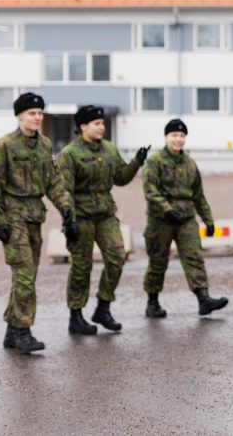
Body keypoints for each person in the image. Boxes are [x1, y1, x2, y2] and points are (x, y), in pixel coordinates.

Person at [0, 92, 78, 354]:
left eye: (40, 113)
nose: (37, 117)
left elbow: (53, 183)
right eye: (32, 113)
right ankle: (24, 331)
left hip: (35, 215)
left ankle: (12, 331)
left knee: (27, 275)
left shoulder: (45, 145)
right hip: (13, 216)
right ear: (19, 116)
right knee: (24, 273)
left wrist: (66, 207)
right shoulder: (5, 145)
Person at [56, 105, 150, 335]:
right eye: (96, 123)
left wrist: (136, 162)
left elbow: (120, 179)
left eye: (102, 123)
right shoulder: (70, 153)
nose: (101, 127)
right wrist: (68, 218)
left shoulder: (109, 149)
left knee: (117, 256)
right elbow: (63, 189)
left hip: (106, 215)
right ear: (82, 126)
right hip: (81, 217)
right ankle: (76, 316)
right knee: (82, 266)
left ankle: (103, 307)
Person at [141, 118, 228, 317]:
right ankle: (152, 302)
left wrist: (208, 220)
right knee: (158, 260)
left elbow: (198, 195)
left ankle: (203, 299)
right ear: (166, 137)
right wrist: (167, 209)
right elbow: (150, 190)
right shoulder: (155, 161)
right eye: (174, 135)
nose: (178, 140)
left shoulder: (189, 163)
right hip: (161, 220)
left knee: (194, 257)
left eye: (181, 136)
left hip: (186, 219)